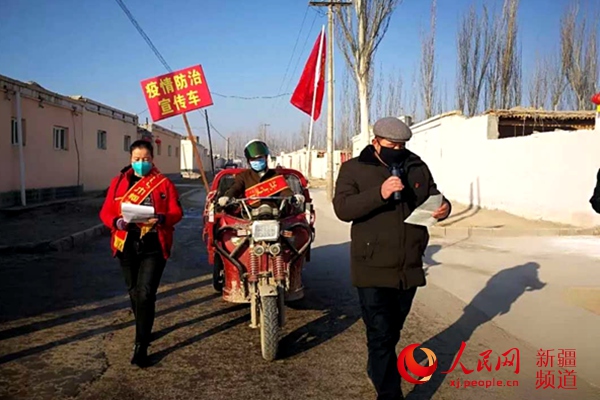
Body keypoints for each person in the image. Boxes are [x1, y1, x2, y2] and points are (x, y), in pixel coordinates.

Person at [332, 117, 451, 400]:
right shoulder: (354, 169)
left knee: (393, 330)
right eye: (391, 144)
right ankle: (389, 393)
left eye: (401, 145)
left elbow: (433, 195)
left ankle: (377, 367)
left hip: (409, 265)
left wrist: (444, 208)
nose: (397, 149)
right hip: (371, 265)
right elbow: (343, 209)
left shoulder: (416, 166)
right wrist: (380, 193)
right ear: (375, 142)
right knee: (380, 333)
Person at [99, 139, 183, 367]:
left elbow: (176, 212)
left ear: (152, 159)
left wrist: (163, 218)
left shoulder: (163, 183)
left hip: (154, 242)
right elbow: (106, 212)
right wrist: (116, 222)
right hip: (126, 242)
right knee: (134, 291)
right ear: (130, 159)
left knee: (145, 293)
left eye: (145, 159)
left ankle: (141, 345)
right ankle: (143, 326)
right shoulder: (118, 182)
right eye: (137, 159)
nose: (141, 163)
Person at [217, 139, 304, 208]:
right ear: (248, 161)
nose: (257, 161)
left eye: (260, 158)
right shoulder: (243, 176)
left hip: (275, 215)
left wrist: (293, 197)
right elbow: (236, 188)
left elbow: (284, 191)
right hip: (249, 216)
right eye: (253, 159)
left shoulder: (275, 175)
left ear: (266, 158)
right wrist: (228, 197)